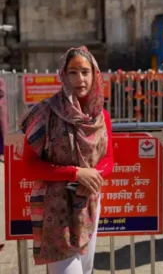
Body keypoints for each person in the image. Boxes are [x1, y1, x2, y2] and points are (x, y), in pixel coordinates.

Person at [19, 46, 114, 274]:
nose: (79, 79)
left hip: (89, 204)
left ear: (94, 74)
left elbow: (109, 158)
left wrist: (95, 174)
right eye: (72, 72)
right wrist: (75, 173)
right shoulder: (45, 113)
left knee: (87, 269)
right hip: (55, 210)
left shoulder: (101, 117)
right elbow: (29, 165)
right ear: (63, 74)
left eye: (85, 72)